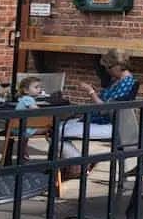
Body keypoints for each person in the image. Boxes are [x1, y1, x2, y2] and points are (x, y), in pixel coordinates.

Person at [57, 49, 138, 177]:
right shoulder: (118, 81)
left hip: (110, 125)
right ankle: (80, 163)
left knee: (56, 132)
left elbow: (104, 108)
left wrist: (90, 91)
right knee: (56, 128)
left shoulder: (126, 83)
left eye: (108, 67)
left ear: (117, 66)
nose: (107, 70)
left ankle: (80, 164)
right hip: (100, 120)